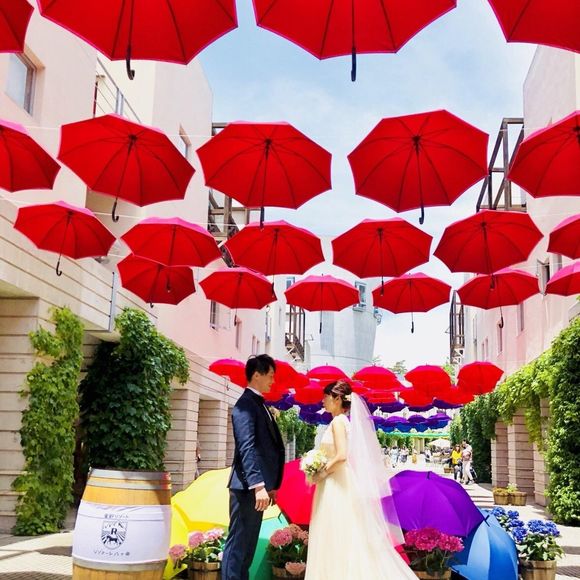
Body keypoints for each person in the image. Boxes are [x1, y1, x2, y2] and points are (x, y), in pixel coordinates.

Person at [305, 381, 416, 579]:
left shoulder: (338, 422)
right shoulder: (342, 422)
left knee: (335, 535)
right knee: (348, 535)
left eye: (326, 396)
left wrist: (320, 472)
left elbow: (342, 456)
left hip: (335, 485)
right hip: (340, 482)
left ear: (337, 399)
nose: (322, 401)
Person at [222, 355, 285, 580]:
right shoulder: (245, 405)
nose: (273, 381)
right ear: (256, 375)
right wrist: (258, 485)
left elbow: (269, 448)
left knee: (248, 547)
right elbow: (247, 447)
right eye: (270, 376)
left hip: (259, 489)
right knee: (238, 545)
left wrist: (270, 486)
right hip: (246, 487)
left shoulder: (260, 404)